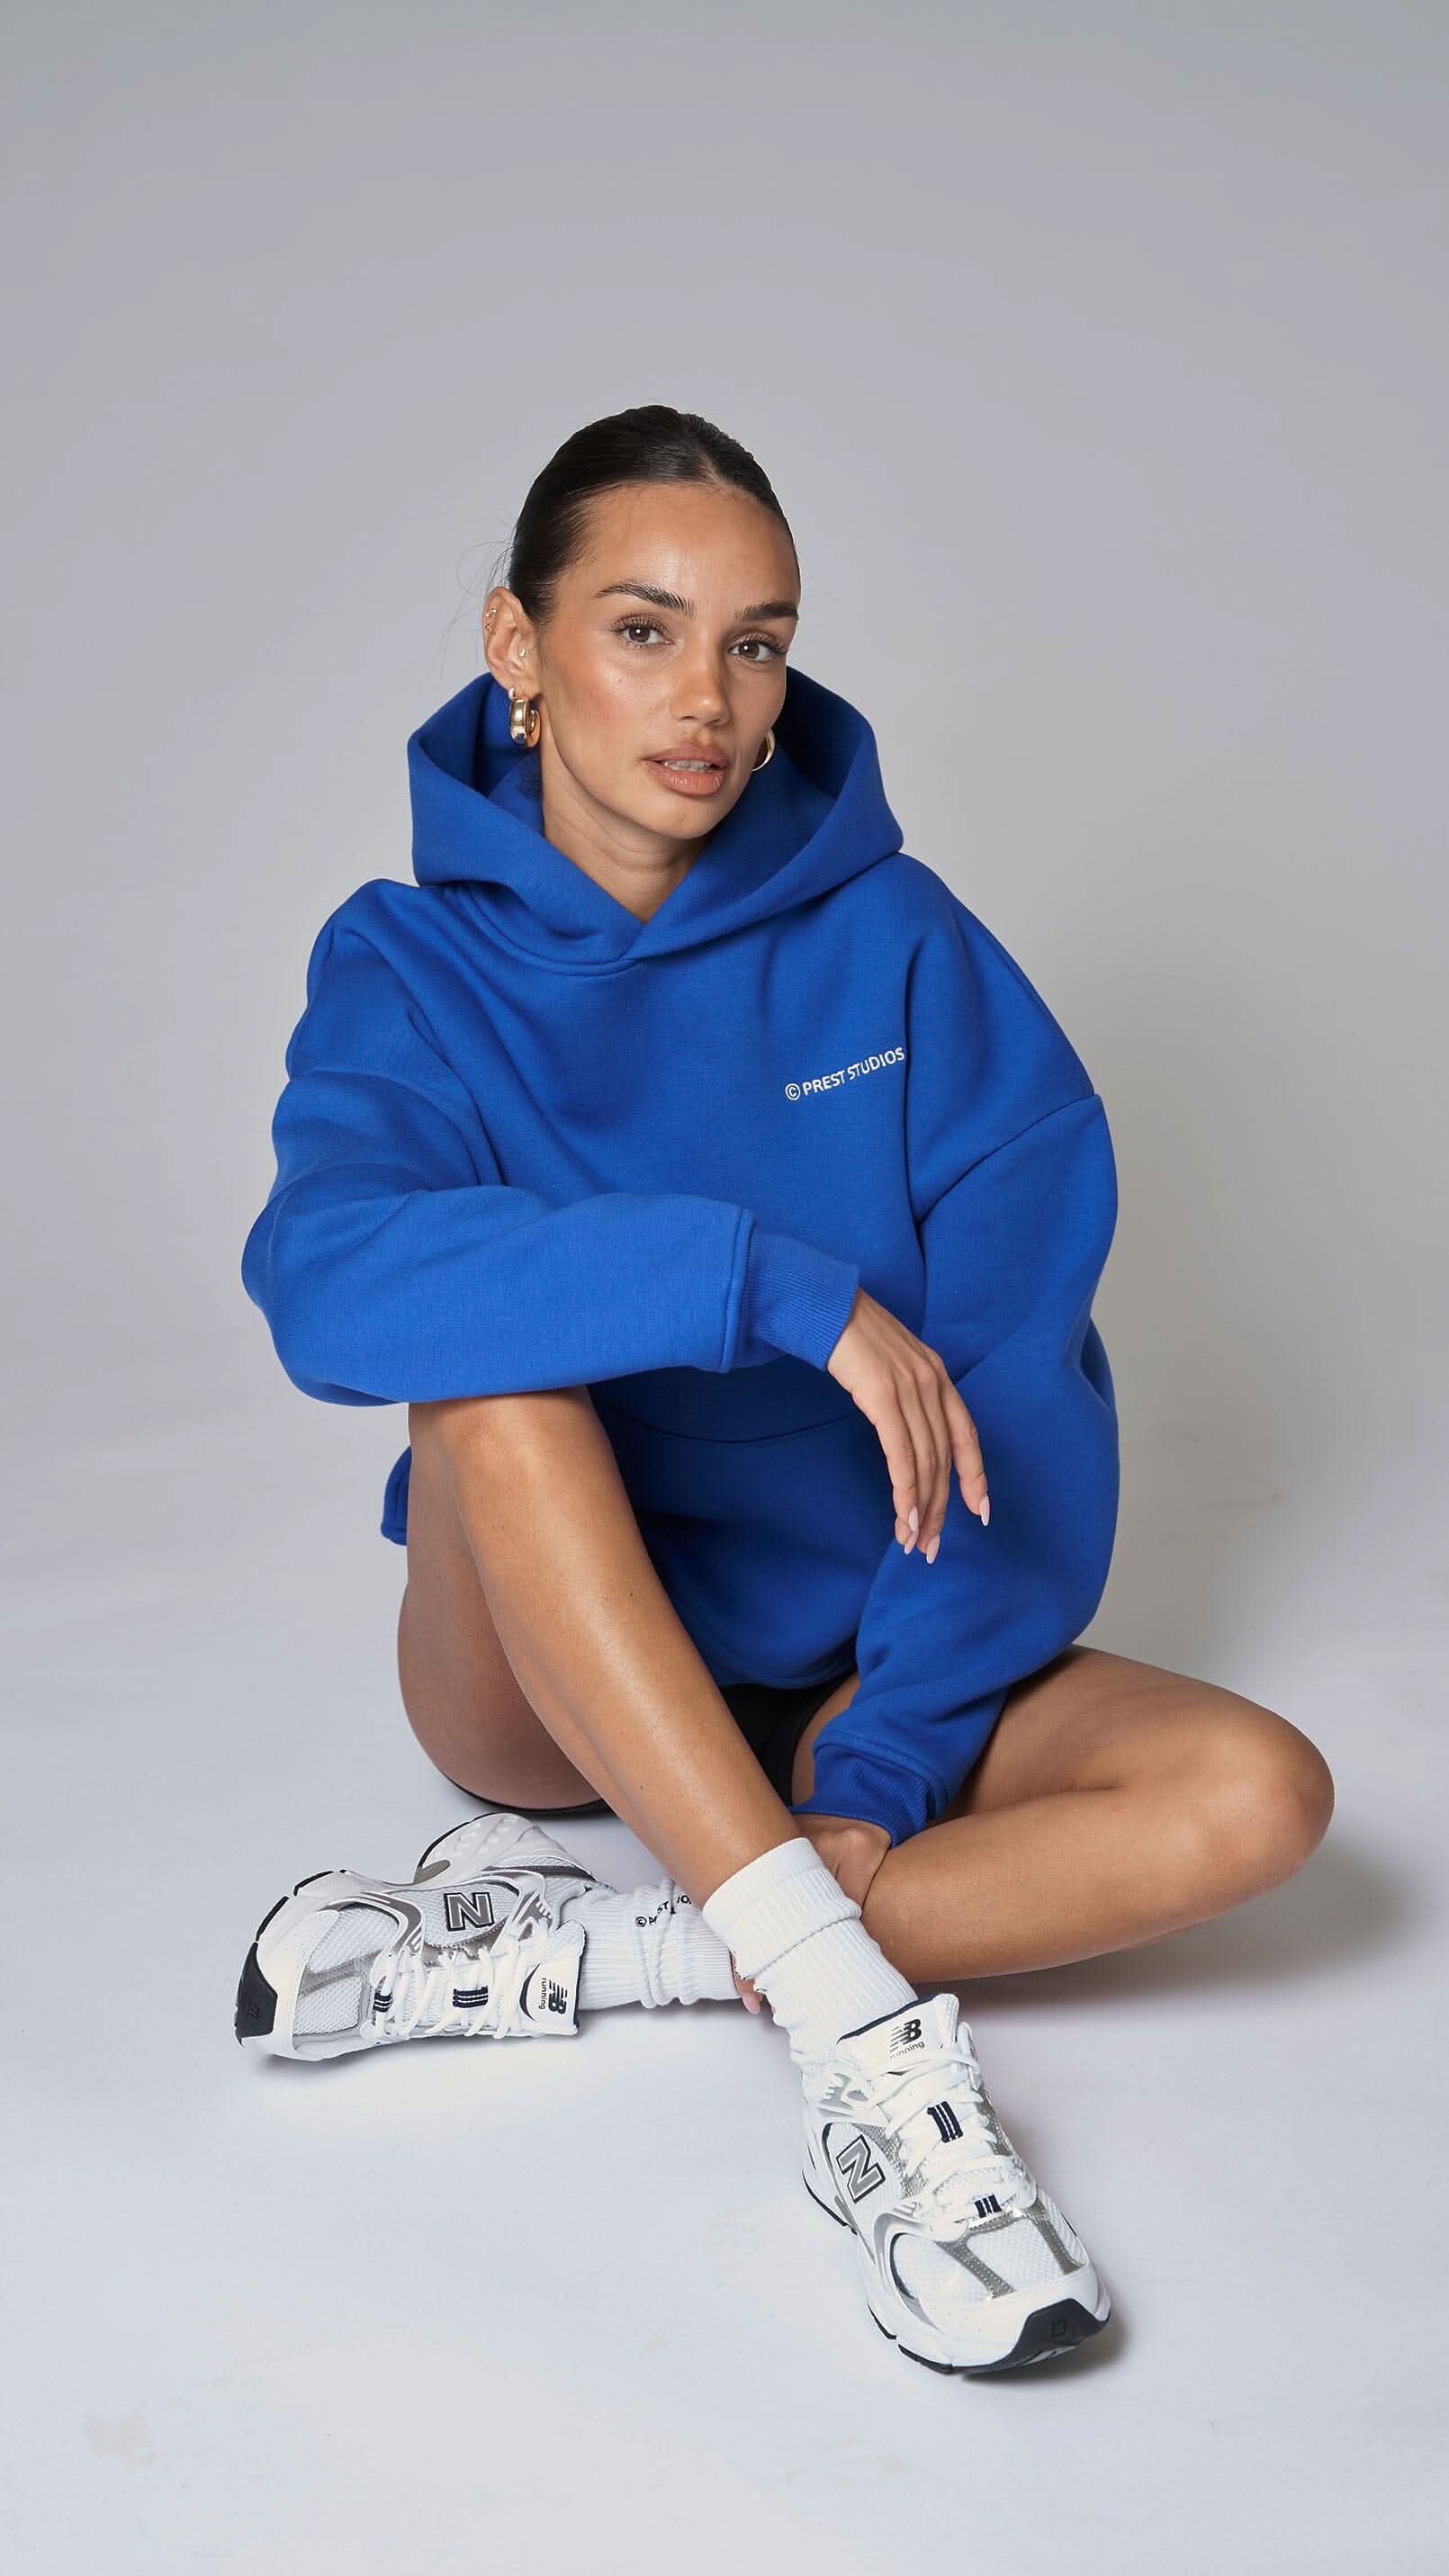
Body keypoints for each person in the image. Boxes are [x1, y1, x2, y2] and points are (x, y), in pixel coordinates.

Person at [234, 403, 1335, 2376]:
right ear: (515, 644)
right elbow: (326, 1283)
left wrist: (873, 1774)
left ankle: (597, 1948)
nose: (709, 698)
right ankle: (867, 2065)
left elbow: (1015, 1384)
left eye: (756, 641)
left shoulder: (901, 947)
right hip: (547, 1688)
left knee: (1259, 1795)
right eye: (642, 630)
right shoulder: (403, 965)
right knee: (495, 1382)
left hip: (854, 1658)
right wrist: (758, 1282)